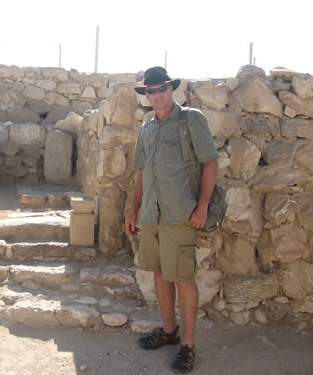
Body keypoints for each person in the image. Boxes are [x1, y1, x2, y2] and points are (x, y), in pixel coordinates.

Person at [126, 66, 218, 373]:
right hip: (151, 216)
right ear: (146, 95)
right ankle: (168, 331)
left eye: (162, 89)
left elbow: (210, 163)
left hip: (180, 215)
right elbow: (141, 173)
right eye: (150, 91)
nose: (157, 95)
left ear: (171, 89)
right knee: (160, 273)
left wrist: (202, 206)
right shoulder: (146, 128)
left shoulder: (192, 120)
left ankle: (188, 344)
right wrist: (133, 209)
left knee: (183, 278)